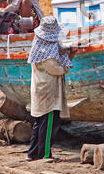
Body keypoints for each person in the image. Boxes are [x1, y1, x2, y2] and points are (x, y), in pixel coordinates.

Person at [26, 16, 77, 161]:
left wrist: (66, 49)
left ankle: (32, 153)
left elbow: (57, 51)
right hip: (48, 93)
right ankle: (45, 154)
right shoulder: (47, 57)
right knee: (49, 125)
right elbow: (60, 69)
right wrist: (71, 55)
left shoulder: (39, 46)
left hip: (41, 91)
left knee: (39, 124)